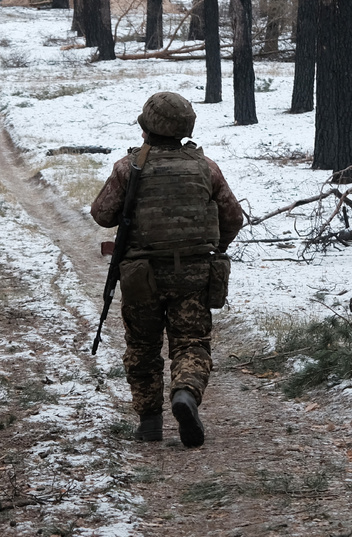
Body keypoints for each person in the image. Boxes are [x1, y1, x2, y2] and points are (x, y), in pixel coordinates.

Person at [90, 91, 244, 448]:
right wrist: (214, 249)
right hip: (193, 275)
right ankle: (185, 394)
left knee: (143, 346)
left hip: (141, 275)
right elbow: (233, 217)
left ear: (147, 127)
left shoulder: (129, 168)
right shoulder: (206, 168)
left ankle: (149, 422)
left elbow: (101, 214)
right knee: (191, 342)